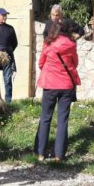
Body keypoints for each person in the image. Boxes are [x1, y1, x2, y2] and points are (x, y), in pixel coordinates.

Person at [34, 19, 82, 162]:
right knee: (63, 120)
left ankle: (40, 154)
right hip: (66, 86)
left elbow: (41, 63)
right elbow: (75, 63)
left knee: (45, 118)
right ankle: (59, 156)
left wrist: (50, 71)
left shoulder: (48, 43)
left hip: (50, 85)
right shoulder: (71, 44)